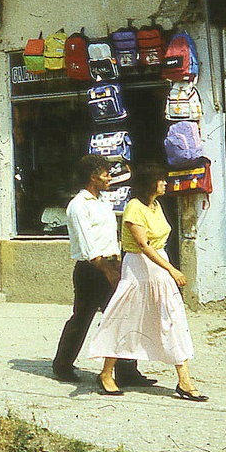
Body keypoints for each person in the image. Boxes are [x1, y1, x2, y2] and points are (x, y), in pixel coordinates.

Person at [80, 162, 207, 401]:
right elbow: (142, 245)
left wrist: (167, 269)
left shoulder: (156, 206)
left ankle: (185, 379)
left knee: (172, 319)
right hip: (139, 269)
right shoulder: (134, 207)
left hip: (159, 269)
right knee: (125, 320)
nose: (165, 183)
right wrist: (172, 269)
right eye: (161, 179)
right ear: (151, 183)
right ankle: (106, 373)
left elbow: (157, 244)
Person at [53, 155, 154, 386]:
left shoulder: (102, 202)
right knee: (83, 318)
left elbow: (109, 238)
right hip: (92, 269)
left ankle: (127, 371)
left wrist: (118, 262)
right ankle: (62, 365)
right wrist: (108, 272)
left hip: (111, 264)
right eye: (105, 174)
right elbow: (88, 246)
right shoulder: (79, 205)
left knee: (123, 318)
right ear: (92, 177)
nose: (109, 178)